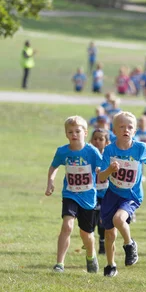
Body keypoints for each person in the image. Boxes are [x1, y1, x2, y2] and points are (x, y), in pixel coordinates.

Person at [98, 111, 146, 277]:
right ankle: (110, 265)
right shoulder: (109, 150)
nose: (126, 130)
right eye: (122, 127)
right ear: (114, 131)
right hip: (112, 194)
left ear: (135, 131)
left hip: (131, 196)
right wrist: (110, 170)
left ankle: (130, 245)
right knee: (109, 234)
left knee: (118, 219)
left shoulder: (140, 148)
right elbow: (100, 177)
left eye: (130, 127)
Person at [45, 116, 102, 273]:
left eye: (77, 131)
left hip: (88, 197)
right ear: (66, 134)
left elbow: (102, 168)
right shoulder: (63, 151)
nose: (74, 134)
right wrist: (50, 181)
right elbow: (54, 166)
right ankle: (59, 263)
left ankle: (91, 256)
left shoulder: (92, 151)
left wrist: (100, 170)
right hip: (70, 194)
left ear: (85, 132)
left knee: (86, 234)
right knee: (67, 226)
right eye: (70, 132)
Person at [90, 128, 110, 255]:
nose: (97, 141)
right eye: (95, 139)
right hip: (91, 194)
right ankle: (89, 242)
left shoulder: (108, 157)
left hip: (106, 194)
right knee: (92, 220)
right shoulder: (88, 156)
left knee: (103, 220)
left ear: (106, 142)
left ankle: (102, 243)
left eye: (101, 139)